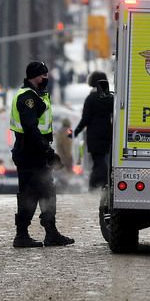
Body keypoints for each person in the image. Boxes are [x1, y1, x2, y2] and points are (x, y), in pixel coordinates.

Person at [10, 60, 74, 248]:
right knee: (29, 194)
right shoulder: (27, 98)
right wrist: (47, 151)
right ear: (33, 77)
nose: (46, 78)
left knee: (47, 192)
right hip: (30, 153)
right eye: (42, 75)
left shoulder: (38, 95)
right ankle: (21, 235)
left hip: (36, 152)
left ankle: (51, 233)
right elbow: (30, 129)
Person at [72, 70, 113, 190]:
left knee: (98, 160)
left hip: (94, 134)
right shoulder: (109, 98)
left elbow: (85, 119)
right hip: (107, 133)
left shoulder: (91, 98)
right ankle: (100, 183)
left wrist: (75, 132)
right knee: (102, 159)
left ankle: (97, 184)